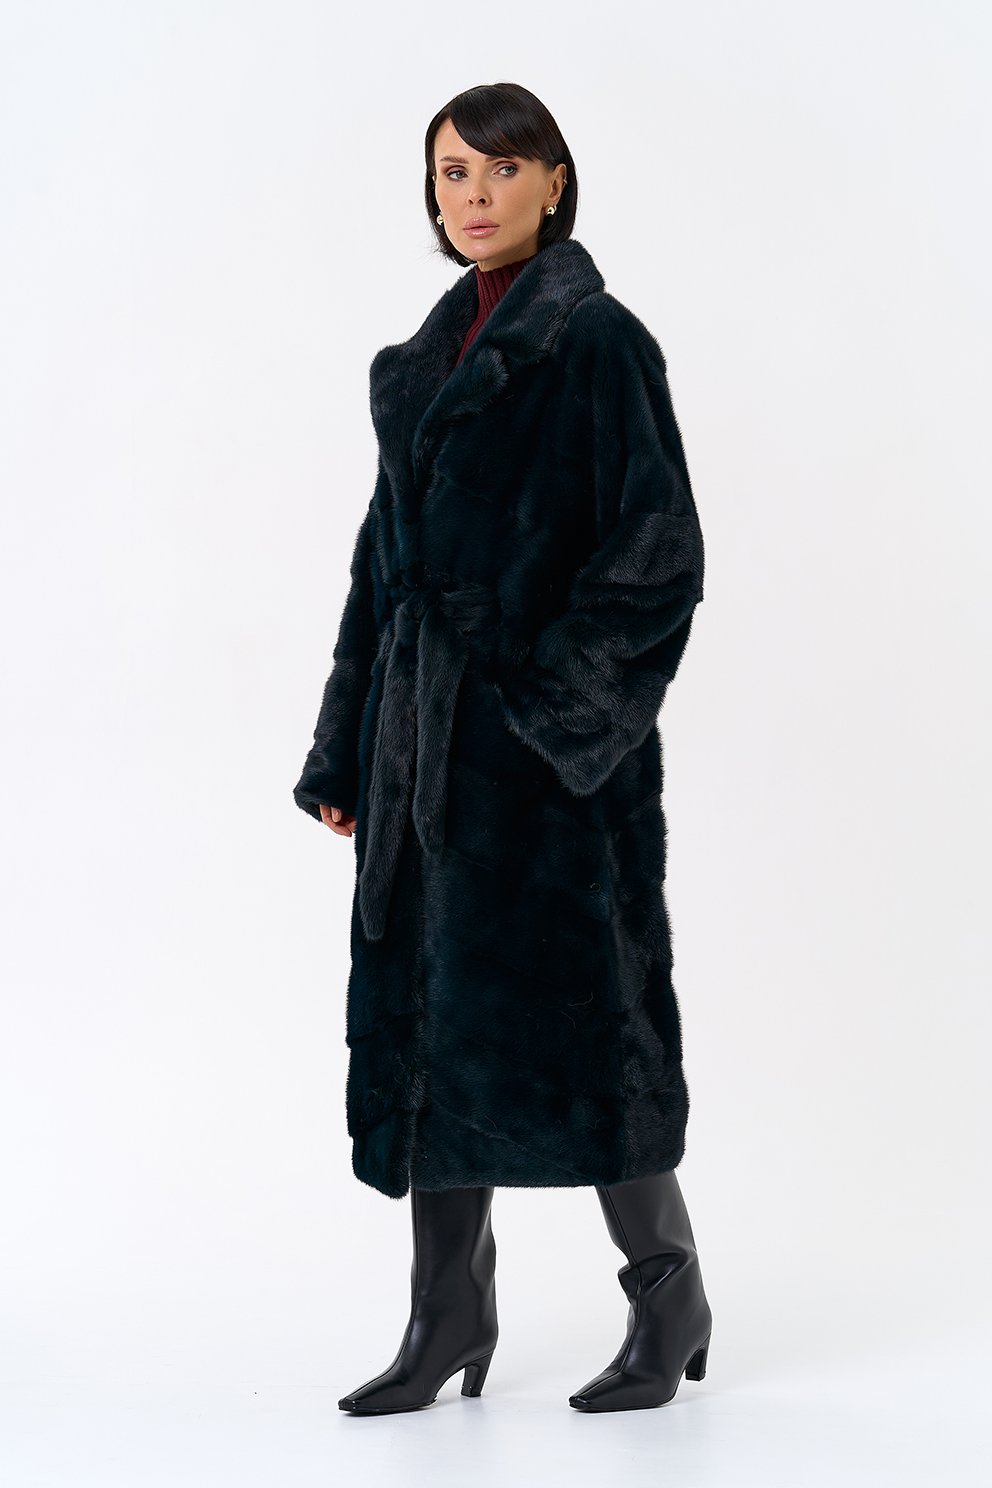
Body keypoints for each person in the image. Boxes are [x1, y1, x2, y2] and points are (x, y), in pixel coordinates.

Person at [293, 81, 711, 1415]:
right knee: (434, 1033)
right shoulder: (419, 367)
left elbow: (657, 555)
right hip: (422, 757)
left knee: (589, 1035)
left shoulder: (598, 343)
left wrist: (549, 715)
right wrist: (347, 751)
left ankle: (669, 1294)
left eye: (500, 169)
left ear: (555, 182)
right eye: (451, 173)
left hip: (550, 777)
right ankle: (448, 1314)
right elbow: (382, 570)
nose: (472, 195)